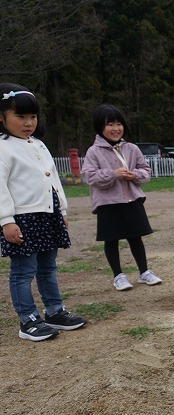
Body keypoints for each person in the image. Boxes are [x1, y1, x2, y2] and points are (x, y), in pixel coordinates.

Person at [0, 83, 86, 341]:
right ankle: (27, 320)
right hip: (22, 219)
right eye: (20, 116)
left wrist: (63, 211)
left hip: (47, 214)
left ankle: (54, 311)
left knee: (48, 267)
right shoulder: (3, 148)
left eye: (33, 116)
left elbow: (54, 180)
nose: (28, 123)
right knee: (23, 271)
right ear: (1, 117)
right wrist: (6, 220)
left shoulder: (38, 144)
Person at [82, 104, 162, 291]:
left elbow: (146, 171)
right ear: (99, 127)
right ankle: (118, 276)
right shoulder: (94, 151)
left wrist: (134, 175)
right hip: (107, 203)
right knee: (111, 239)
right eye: (110, 124)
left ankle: (144, 272)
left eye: (119, 124)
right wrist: (113, 174)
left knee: (136, 237)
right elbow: (89, 176)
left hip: (132, 200)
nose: (116, 128)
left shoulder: (132, 148)